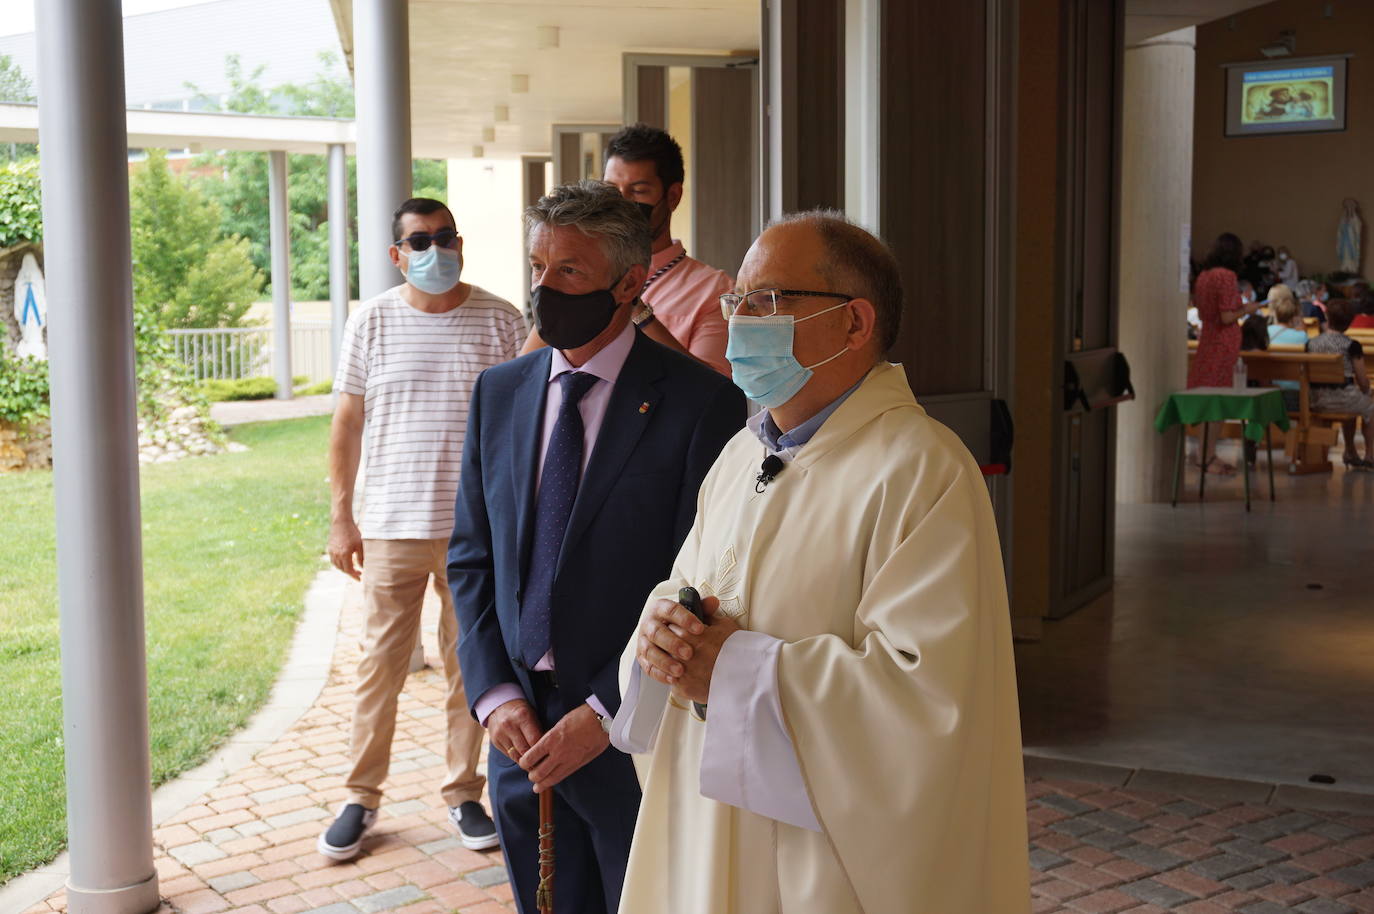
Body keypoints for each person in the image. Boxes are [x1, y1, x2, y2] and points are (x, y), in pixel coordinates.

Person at [612, 210, 1030, 913]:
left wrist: (735, 671)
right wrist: (659, 638)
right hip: (710, 826)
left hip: (818, 862)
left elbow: (927, 701)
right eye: (735, 300)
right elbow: (687, 591)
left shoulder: (922, 470)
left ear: (855, 324)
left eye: (767, 300)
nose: (741, 319)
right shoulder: (741, 454)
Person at [447, 180, 745, 914]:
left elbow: (701, 586)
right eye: (537, 267)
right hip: (518, 735)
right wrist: (493, 695)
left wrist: (609, 710)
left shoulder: (701, 403)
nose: (544, 288)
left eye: (569, 271)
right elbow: (472, 559)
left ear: (630, 282)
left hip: (633, 736)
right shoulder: (500, 392)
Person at [317, 197, 525, 861]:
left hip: (477, 531)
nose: (434, 251)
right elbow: (347, 423)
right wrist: (341, 516)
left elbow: (524, 424)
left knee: (472, 665)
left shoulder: (500, 319)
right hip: (391, 526)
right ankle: (360, 797)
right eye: (420, 241)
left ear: (459, 241)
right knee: (379, 667)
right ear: (396, 253)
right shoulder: (371, 322)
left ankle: (464, 792)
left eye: (445, 238)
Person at [520, 124, 734, 375]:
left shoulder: (712, 290)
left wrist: (638, 312)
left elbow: (714, 387)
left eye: (639, 191)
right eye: (611, 190)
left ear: (673, 196)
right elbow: (525, 372)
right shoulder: (576, 275)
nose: (622, 202)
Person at [1188, 232, 1258, 474]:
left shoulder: (1204, 276)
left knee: (1208, 398)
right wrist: (1248, 308)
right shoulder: (1227, 276)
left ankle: (1204, 455)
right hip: (1222, 342)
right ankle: (1207, 457)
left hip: (1208, 338)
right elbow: (1228, 316)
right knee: (1217, 401)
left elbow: (1200, 308)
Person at [1306, 298, 1374, 470]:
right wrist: (1368, 391)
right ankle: (1370, 455)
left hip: (1317, 399)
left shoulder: (1311, 344)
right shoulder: (1351, 345)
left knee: (1354, 400)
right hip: (1343, 398)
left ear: (1327, 317)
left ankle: (1350, 451)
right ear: (1350, 322)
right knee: (1369, 406)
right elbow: (1363, 381)